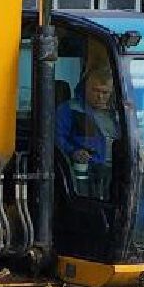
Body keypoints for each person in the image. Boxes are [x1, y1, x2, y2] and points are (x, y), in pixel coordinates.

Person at [56, 59, 120, 191]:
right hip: (86, 175)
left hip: (117, 173)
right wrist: (73, 151)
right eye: (95, 91)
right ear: (85, 88)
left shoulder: (119, 114)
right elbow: (55, 138)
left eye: (105, 92)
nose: (100, 97)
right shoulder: (70, 109)